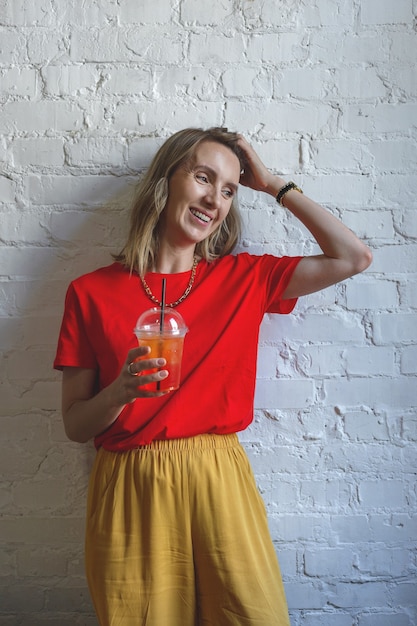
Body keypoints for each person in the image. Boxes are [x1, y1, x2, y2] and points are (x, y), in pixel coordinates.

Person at [54, 127, 372, 626]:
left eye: (228, 189)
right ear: (166, 181)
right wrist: (118, 392)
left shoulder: (245, 278)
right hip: (131, 487)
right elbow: (75, 425)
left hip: (218, 478)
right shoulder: (89, 293)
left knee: (251, 615)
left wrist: (271, 185)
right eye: (203, 177)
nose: (214, 199)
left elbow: (353, 257)